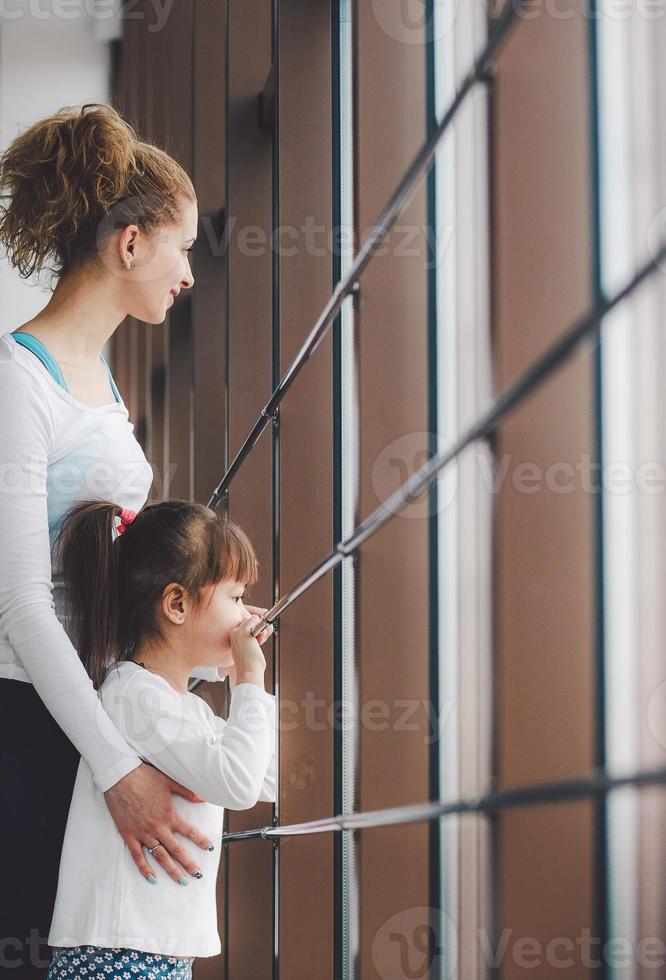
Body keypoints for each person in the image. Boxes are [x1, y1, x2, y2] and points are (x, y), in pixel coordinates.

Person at [0, 102, 271, 977]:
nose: (188, 272)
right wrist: (117, 766)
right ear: (128, 246)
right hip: (28, 719)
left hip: (77, 713)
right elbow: (21, 605)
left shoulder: (102, 387)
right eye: (182, 246)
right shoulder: (18, 385)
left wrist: (199, 645)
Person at [44, 498, 276, 979]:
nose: (244, 615)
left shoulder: (182, 707)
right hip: (119, 954)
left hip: (151, 950)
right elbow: (238, 784)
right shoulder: (134, 696)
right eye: (234, 598)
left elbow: (265, 781)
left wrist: (240, 680)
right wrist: (250, 679)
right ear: (176, 604)